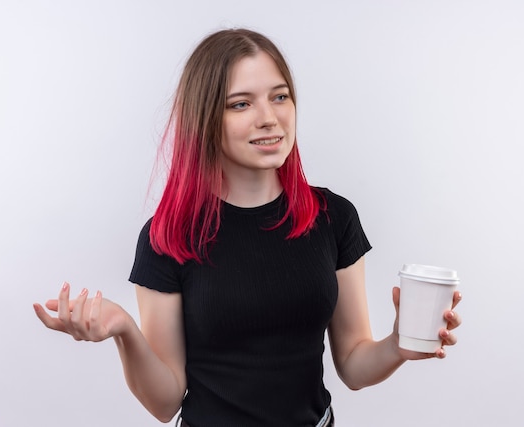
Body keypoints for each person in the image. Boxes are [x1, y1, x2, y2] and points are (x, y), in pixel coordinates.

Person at [33, 28, 462, 427]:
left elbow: (352, 364)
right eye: (241, 103)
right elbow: (165, 403)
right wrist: (124, 329)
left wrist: (397, 346)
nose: (269, 118)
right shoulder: (167, 237)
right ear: (204, 118)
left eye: (279, 97)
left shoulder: (334, 217)